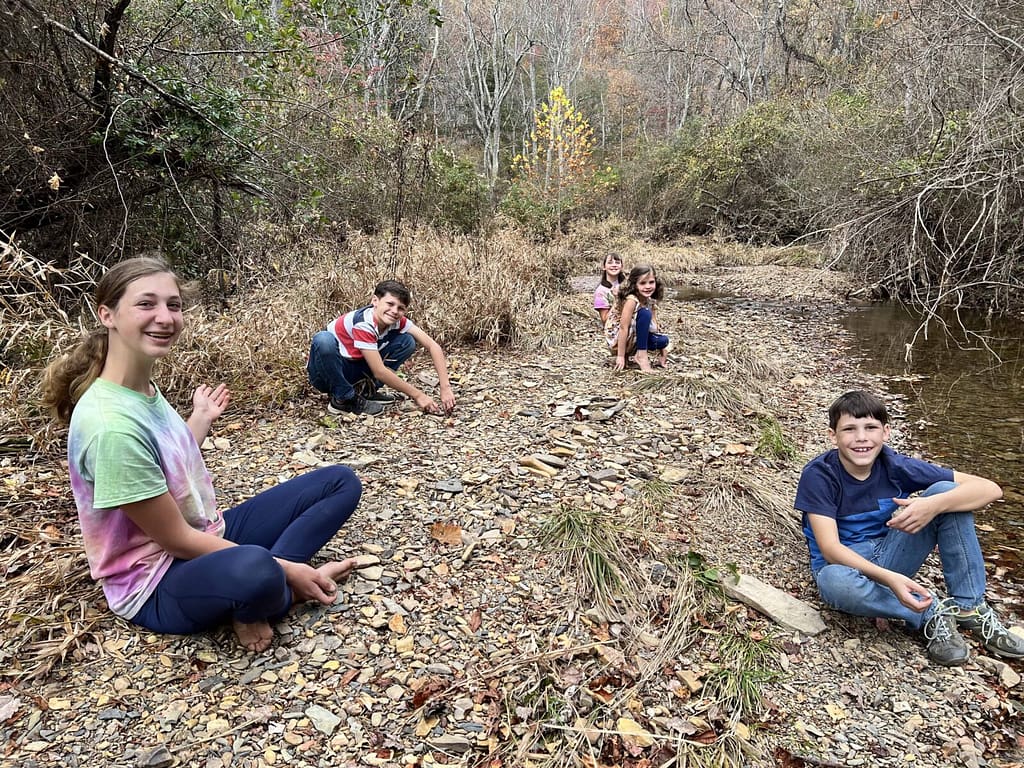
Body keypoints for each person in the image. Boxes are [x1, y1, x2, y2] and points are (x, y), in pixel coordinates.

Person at [41, 256, 362, 653]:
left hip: (207, 533)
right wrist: (289, 569)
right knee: (258, 567)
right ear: (107, 314)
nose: (165, 317)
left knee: (339, 482)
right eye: (146, 304)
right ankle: (276, 590)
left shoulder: (141, 389)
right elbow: (175, 541)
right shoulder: (110, 425)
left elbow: (167, 467)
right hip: (155, 583)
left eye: (173, 305)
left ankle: (262, 588)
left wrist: (200, 419)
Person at [794, 390, 1024, 666]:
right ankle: (930, 613)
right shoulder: (819, 475)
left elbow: (990, 489)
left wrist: (933, 505)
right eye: (849, 429)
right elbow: (830, 549)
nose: (861, 438)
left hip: (889, 553)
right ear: (833, 436)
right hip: (843, 565)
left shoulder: (895, 465)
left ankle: (969, 606)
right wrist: (891, 579)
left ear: (886, 432)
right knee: (835, 583)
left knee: (947, 492)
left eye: (870, 428)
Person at [307, 279, 456, 417]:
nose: (395, 311)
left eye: (400, 308)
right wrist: (418, 395)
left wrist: (445, 387)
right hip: (327, 373)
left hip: (354, 365)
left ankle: (366, 391)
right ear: (375, 301)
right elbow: (379, 371)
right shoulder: (364, 324)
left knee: (407, 341)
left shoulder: (397, 321)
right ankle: (344, 398)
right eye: (390, 304)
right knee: (323, 339)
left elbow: (433, 345)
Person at [605, 264, 670, 373]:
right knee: (644, 313)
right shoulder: (631, 300)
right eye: (643, 283)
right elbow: (623, 327)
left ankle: (638, 353)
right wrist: (620, 356)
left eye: (651, 282)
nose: (648, 286)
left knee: (662, 340)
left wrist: (663, 352)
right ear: (634, 285)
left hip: (634, 335)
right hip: (617, 337)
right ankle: (640, 356)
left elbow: (654, 328)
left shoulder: (649, 300)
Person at [593, 252, 623, 325]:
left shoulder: (629, 285)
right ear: (604, 267)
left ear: (622, 266)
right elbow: (605, 320)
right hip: (615, 331)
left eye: (617, 263)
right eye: (610, 263)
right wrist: (617, 299)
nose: (614, 265)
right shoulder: (600, 291)